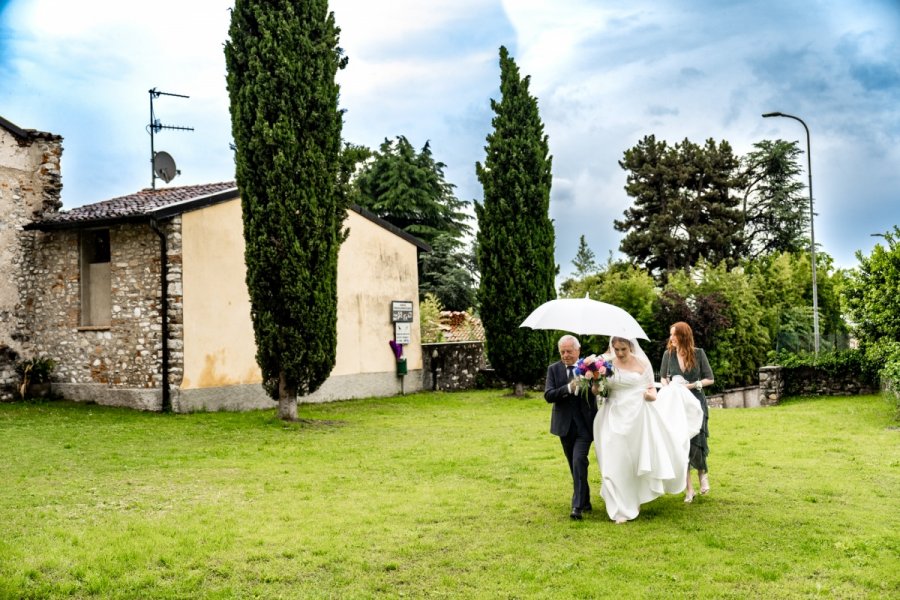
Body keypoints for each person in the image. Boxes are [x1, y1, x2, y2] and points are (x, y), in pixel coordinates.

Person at [593, 336, 703, 523]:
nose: (619, 353)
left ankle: (632, 499)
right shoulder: (604, 364)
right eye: (616, 349)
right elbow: (598, 390)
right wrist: (595, 381)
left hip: (637, 416)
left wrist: (648, 395)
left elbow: (652, 390)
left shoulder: (642, 363)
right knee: (613, 460)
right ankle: (620, 508)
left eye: (623, 349)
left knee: (633, 462)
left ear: (631, 347)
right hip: (612, 415)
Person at [659, 321, 715, 503]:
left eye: (674, 334)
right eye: (670, 334)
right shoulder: (668, 354)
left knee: (698, 441)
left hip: (696, 403)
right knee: (682, 446)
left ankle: (702, 475)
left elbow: (710, 379)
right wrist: (671, 387)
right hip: (677, 405)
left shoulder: (698, 354)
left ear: (683, 336)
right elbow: (663, 378)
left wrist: (691, 385)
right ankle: (689, 489)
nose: (671, 338)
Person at [544, 334, 598, 520]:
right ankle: (586, 499)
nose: (566, 355)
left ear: (578, 351)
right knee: (573, 465)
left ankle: (577, 507)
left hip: (585, 425)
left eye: (569, 351)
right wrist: (568, 388)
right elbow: (549, 395)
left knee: (578, 461)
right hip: (564, 426)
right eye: (562, 352)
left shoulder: (589, 368)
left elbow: (598, 391)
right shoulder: (554, 370)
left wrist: (594, 383)